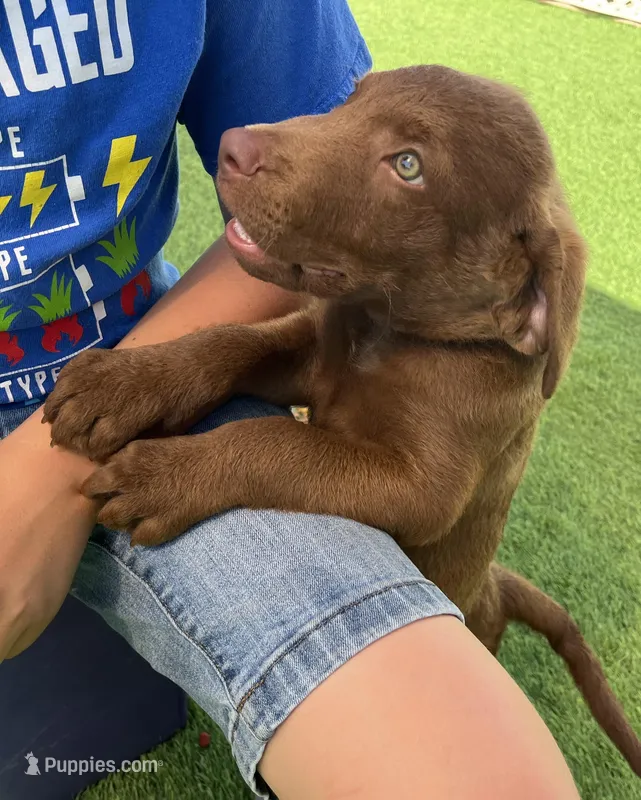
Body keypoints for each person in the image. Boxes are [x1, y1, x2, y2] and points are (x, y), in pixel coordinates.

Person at [0, 2, 580, 797]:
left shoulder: (492, 348)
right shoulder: (373, 309)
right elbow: (298, 348)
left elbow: (419, 490)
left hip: (123, 352)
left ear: (530, 305)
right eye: (353, 104)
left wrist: (64, 467)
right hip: (146, 378)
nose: (252, 144)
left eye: (407, 165)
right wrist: (181, 372)